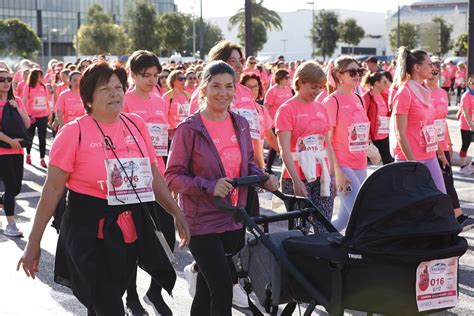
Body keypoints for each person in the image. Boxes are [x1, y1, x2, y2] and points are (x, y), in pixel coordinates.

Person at [17, 62, 190, 316]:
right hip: (87, 232)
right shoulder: (73, 133)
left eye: (118, 87)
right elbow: (52, 190)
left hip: (127, 231)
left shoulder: (136, 125)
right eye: (105, 89)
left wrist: (177, 212)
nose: (114, 93)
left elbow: (153, 176)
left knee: (103, 302)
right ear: (87, 99)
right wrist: (33, 242)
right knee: (109, 306)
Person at [165, 60, 278, 316]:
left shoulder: (240, 123)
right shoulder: (189, 129)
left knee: (207, 288)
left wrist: (264, 178)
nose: (223, 93)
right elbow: (172, 176)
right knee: (222, 286)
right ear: (203, 89)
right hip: (201, 219)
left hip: (234, 217)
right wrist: (208, 186)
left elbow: (247, 164)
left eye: (229, 87)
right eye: (215, 86)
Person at [123, 50, 175, 315]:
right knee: (132, 239)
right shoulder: (125, 100)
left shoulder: (159, 99)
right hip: (132, 178)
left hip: (158, 174)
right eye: (146, 76)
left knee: (167, 234)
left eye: (156, 75)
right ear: (133, 75)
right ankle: (131, 295)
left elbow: (162, 140)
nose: (152, 80)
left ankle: (154, 290)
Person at [275, 61, 336, 233]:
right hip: (298, 175)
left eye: (321, 88)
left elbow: (327, 144)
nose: (317, 92)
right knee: (300, 228)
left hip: (321, 174)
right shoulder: (287, 109)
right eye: (313, 87)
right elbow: (284, 149)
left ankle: (322, 260)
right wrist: (295, 180)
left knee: (324, 226)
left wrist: (332, 175)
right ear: (300, 82)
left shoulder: (321, 108)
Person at [323, 55, 369, 232]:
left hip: (360, 163)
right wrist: (337, 172)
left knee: (344, 218)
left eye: (359, 71)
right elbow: (327, 140)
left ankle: (318, 240)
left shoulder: (359, 98)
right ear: (339, 75)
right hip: (343, 165)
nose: (357, 75)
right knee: (360, 216)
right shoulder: (332, 101)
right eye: (352, 71)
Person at [392, 47, 447, 195]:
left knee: (440, 196)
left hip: (429, 155)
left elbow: (429, 124)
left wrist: (440, 151)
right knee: (412, 206)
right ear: (417, 67)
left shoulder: (425, 91)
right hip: (410, 159)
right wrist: (413, 164)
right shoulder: (404, 93)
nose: (433, 68)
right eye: (429, 64)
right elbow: (399, 133)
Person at [427, 60, 474, 231]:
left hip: (442, 143)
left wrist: (448, 142)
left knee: (447, 180)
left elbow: (443, 120)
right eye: (432, 70)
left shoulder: (441, 93)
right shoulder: (422, 92)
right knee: (442, 180)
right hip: (428, 144)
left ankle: (449, 218)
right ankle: (457, 216)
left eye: (437, 71)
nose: (435, 73)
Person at [0, 68, 30, 237]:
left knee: (16, 188)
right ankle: (11, 225)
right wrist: (9, 141)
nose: (6, 82)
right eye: (2, 79)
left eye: (8, 79)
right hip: (2, 151)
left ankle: (6, 205)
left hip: (17, 151)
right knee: (11, 189)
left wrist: (17, 108)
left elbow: (26, 124)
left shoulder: (16, 99)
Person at [264, 69, 293, 174]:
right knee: (275, 144)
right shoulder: (272, 91)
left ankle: (284, 165)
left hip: (287, 121)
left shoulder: (288, 89)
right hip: (274, 121)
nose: (288, 80)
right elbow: (266, 107)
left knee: (286, 144)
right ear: (280, 78)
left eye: (289, 77)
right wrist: (265, 121)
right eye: (286, 78)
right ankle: (268, 166)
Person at [362, 71, 394, 165]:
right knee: (375, 165)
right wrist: (367, 137)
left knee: (388, 163)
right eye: (384, 82)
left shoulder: (385, 96)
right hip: (373, 137)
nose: (386, 84)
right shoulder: (366, 97)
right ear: (376, 83)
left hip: (385, 135)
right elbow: (363, 118)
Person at [22, 68, 51, 167]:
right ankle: (28, 155)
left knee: (42, 138)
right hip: (31, 117)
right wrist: (24, 114)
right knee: (30, 137)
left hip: (43, 116)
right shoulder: (29, 87)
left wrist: (49, 113)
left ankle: (42, 159)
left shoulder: (44, 87)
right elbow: (24, 101)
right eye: (40, 76)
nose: (42, 78)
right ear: (35, 76)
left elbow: (47, 101)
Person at [163, 69, 191, 139]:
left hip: (186, 132)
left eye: (184, 79)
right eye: (180, 79)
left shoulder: (188, 95)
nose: (183, 81)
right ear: (173, 81)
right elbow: (163, 116)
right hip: (172, 134)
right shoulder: (167, 96)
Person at [458, 74, 474, 175]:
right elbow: (465, 113)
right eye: (473, 83)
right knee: (466, 144)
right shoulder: (466, 96)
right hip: (466, 125)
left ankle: (472, 164)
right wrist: (471, 126)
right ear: (468, 83)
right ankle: (463, 166)